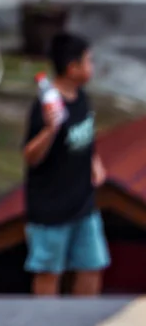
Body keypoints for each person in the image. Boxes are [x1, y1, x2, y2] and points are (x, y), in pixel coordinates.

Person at [23, 32, 109, 296]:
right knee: (49, 271)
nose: (92, 67)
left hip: (83, 203)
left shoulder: (81, 96)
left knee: (93, 265)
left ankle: (85, 325)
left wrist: (95, 161)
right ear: (73, 68)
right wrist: (50, 129)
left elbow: (84, 134)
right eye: (89, 61)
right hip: (51, 210)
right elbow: (30, 156)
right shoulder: (45, 106)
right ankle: (46, 325)